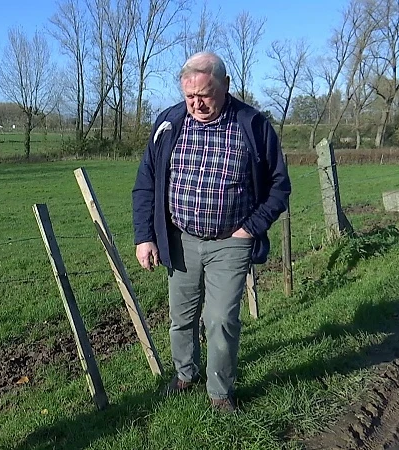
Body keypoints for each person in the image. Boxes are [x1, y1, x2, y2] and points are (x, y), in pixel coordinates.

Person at [131, 52, 291, 413]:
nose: (196, 104)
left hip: (230, 241)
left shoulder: (252, 124)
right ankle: (185, 374)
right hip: (180, 238)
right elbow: (146, 184)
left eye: (205, 95)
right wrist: (145, 236)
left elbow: (279, 186)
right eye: (189, 97)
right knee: (181, 318)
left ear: (226, 86)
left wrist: (250, 228)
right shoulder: (169, 123)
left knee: (220, 319)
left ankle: (220, 393)